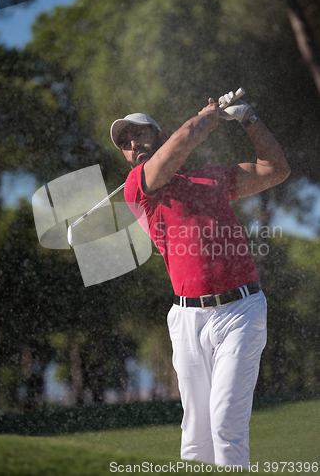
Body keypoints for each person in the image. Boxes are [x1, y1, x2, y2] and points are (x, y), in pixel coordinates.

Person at [110, 92, 290, 469]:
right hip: (187, 320)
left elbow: (276, 170)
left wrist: (247, 118)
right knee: (195, 439)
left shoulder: (210, 178)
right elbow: (185, 139)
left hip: (241, 311)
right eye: (125, 143)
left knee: (226, 427)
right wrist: (209, 115)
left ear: (157, 134)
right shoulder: (137, 187)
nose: (133, 145)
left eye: (140, 135)